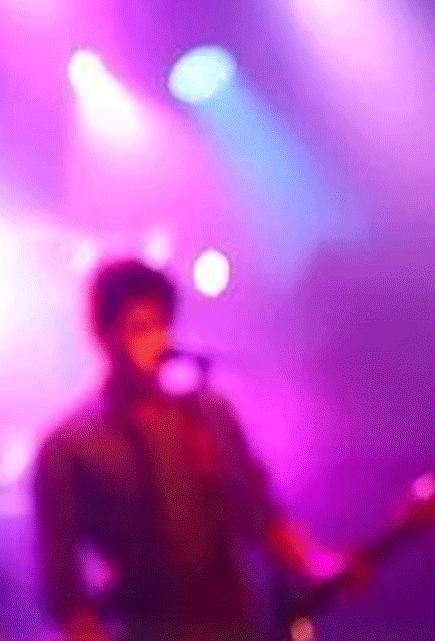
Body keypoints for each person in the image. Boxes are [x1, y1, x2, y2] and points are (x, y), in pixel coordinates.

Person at [32, 259, 352, 641]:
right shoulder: (69, 447)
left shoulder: (209, 415)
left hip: (236, 623)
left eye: (161, 325)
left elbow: (262, 513)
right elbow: (65, 586)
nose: (157, 341)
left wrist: (317, 564)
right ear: (104, 335)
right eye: (139, 328)